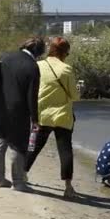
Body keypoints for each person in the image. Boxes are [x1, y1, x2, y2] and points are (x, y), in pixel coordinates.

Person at [0, 38, 45, 192]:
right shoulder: (32, 66)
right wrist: (35, 118)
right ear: (38, 52)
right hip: (19, 110)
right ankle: (18, 182)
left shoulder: (5, 57)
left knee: (0, 140)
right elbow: (32, 95)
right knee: (18, 144)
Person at [24, 37, 80, 198]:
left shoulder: (38, 66)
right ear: (64, 53)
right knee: (65, 150)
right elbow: (75, 96)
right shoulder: (66, 69)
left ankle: (23, 174)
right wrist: (78, 90)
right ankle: (68, 187)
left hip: (42, 114)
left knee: (34, 147)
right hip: (63, 116)